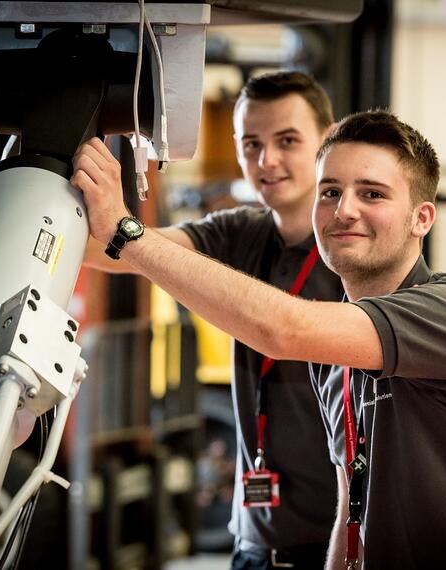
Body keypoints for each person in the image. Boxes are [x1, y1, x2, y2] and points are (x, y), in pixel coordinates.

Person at [72, 110, 446, 569]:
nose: (344, 210)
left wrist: (126, 231)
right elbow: (349, 507)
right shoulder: (332, 357)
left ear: (422, 218)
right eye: (330, 192)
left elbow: (283, 330)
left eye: (372, 193)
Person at [81, 72, 343, 569]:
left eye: (287, 141)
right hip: (252, 544)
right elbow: (131, 252)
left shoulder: (353, 252)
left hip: (329, 547)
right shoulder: (240, 232)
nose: (266, 161)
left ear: (327, 140)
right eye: (251, 143)